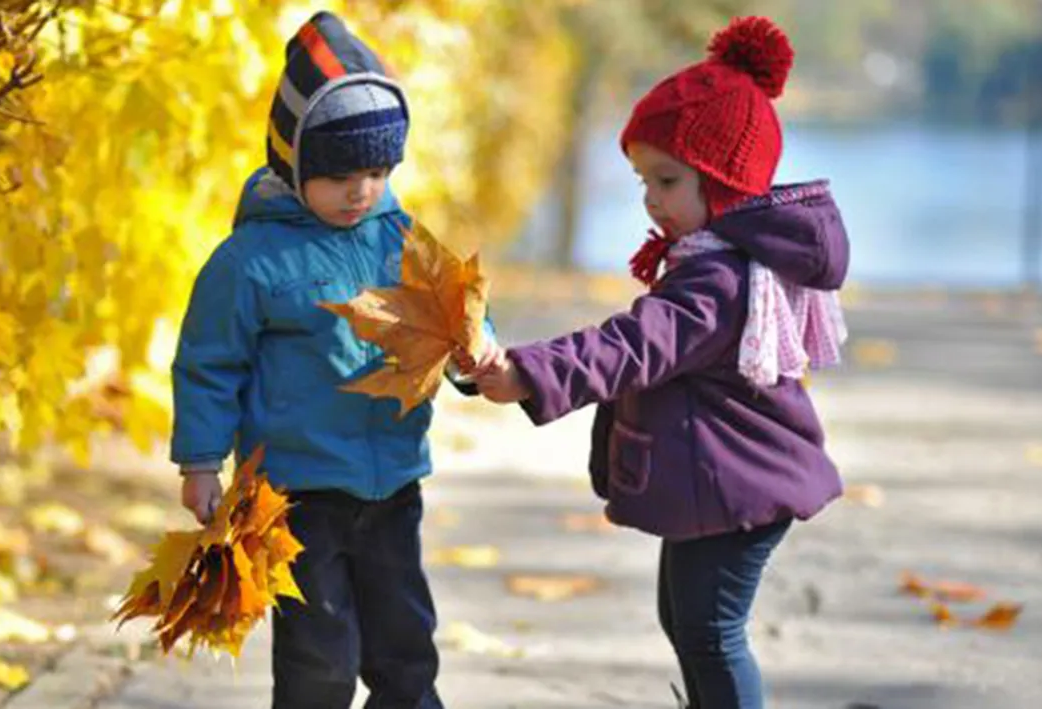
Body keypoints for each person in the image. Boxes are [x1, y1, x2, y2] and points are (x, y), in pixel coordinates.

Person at [474, 16, 850, 709]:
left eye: (667, 180)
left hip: (743, 490)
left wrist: (531, 372)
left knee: (710, 630)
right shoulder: (709, 261)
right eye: (644, 179)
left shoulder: (719, 281)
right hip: (727, 485)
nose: (650, 198)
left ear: (725, 184)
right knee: (686, 620)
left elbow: (634, 344)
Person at [170, 11, 485, 708]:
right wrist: (199, 462)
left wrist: (473, 353)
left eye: (377, 170)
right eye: (341, 174)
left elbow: (455, 315)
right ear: (293, 160)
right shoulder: (250, 261)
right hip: (299, 491)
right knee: (321, 659)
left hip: (394, 483)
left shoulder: (400, 236)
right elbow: (208, 364)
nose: (361, 190)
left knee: (407, 649)